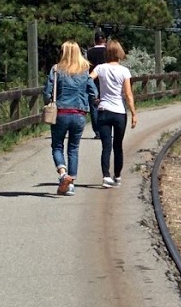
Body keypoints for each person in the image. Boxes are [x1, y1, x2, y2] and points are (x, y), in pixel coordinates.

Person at [45, 41, 98, 196]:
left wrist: (49, 102)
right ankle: (71, 185)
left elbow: (47, 93)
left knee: (57, 146)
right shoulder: (84, 70)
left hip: (60, 113)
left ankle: (63, 174)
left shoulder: (56, 70)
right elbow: (93, 92)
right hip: (79, 114)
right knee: (73, 148)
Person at [90, 38, 136, 187]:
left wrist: (94, 96)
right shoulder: (124, 71)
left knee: (106, 146)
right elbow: (128, 94)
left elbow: (88, 80)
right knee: (118, 146)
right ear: (119, 53)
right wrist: (134, 113)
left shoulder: (100, 68)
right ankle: (117, 176)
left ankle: (106, 176)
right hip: (119, 112)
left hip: (103, 110)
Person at [85, 28, 108, 137]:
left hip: (93, 80)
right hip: (106, 81)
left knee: (94, 105)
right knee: (106, 103)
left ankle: (97, 131)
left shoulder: (89, 52)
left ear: (95, 40)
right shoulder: (108, 51)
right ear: (105, 40)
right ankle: (106, 129)